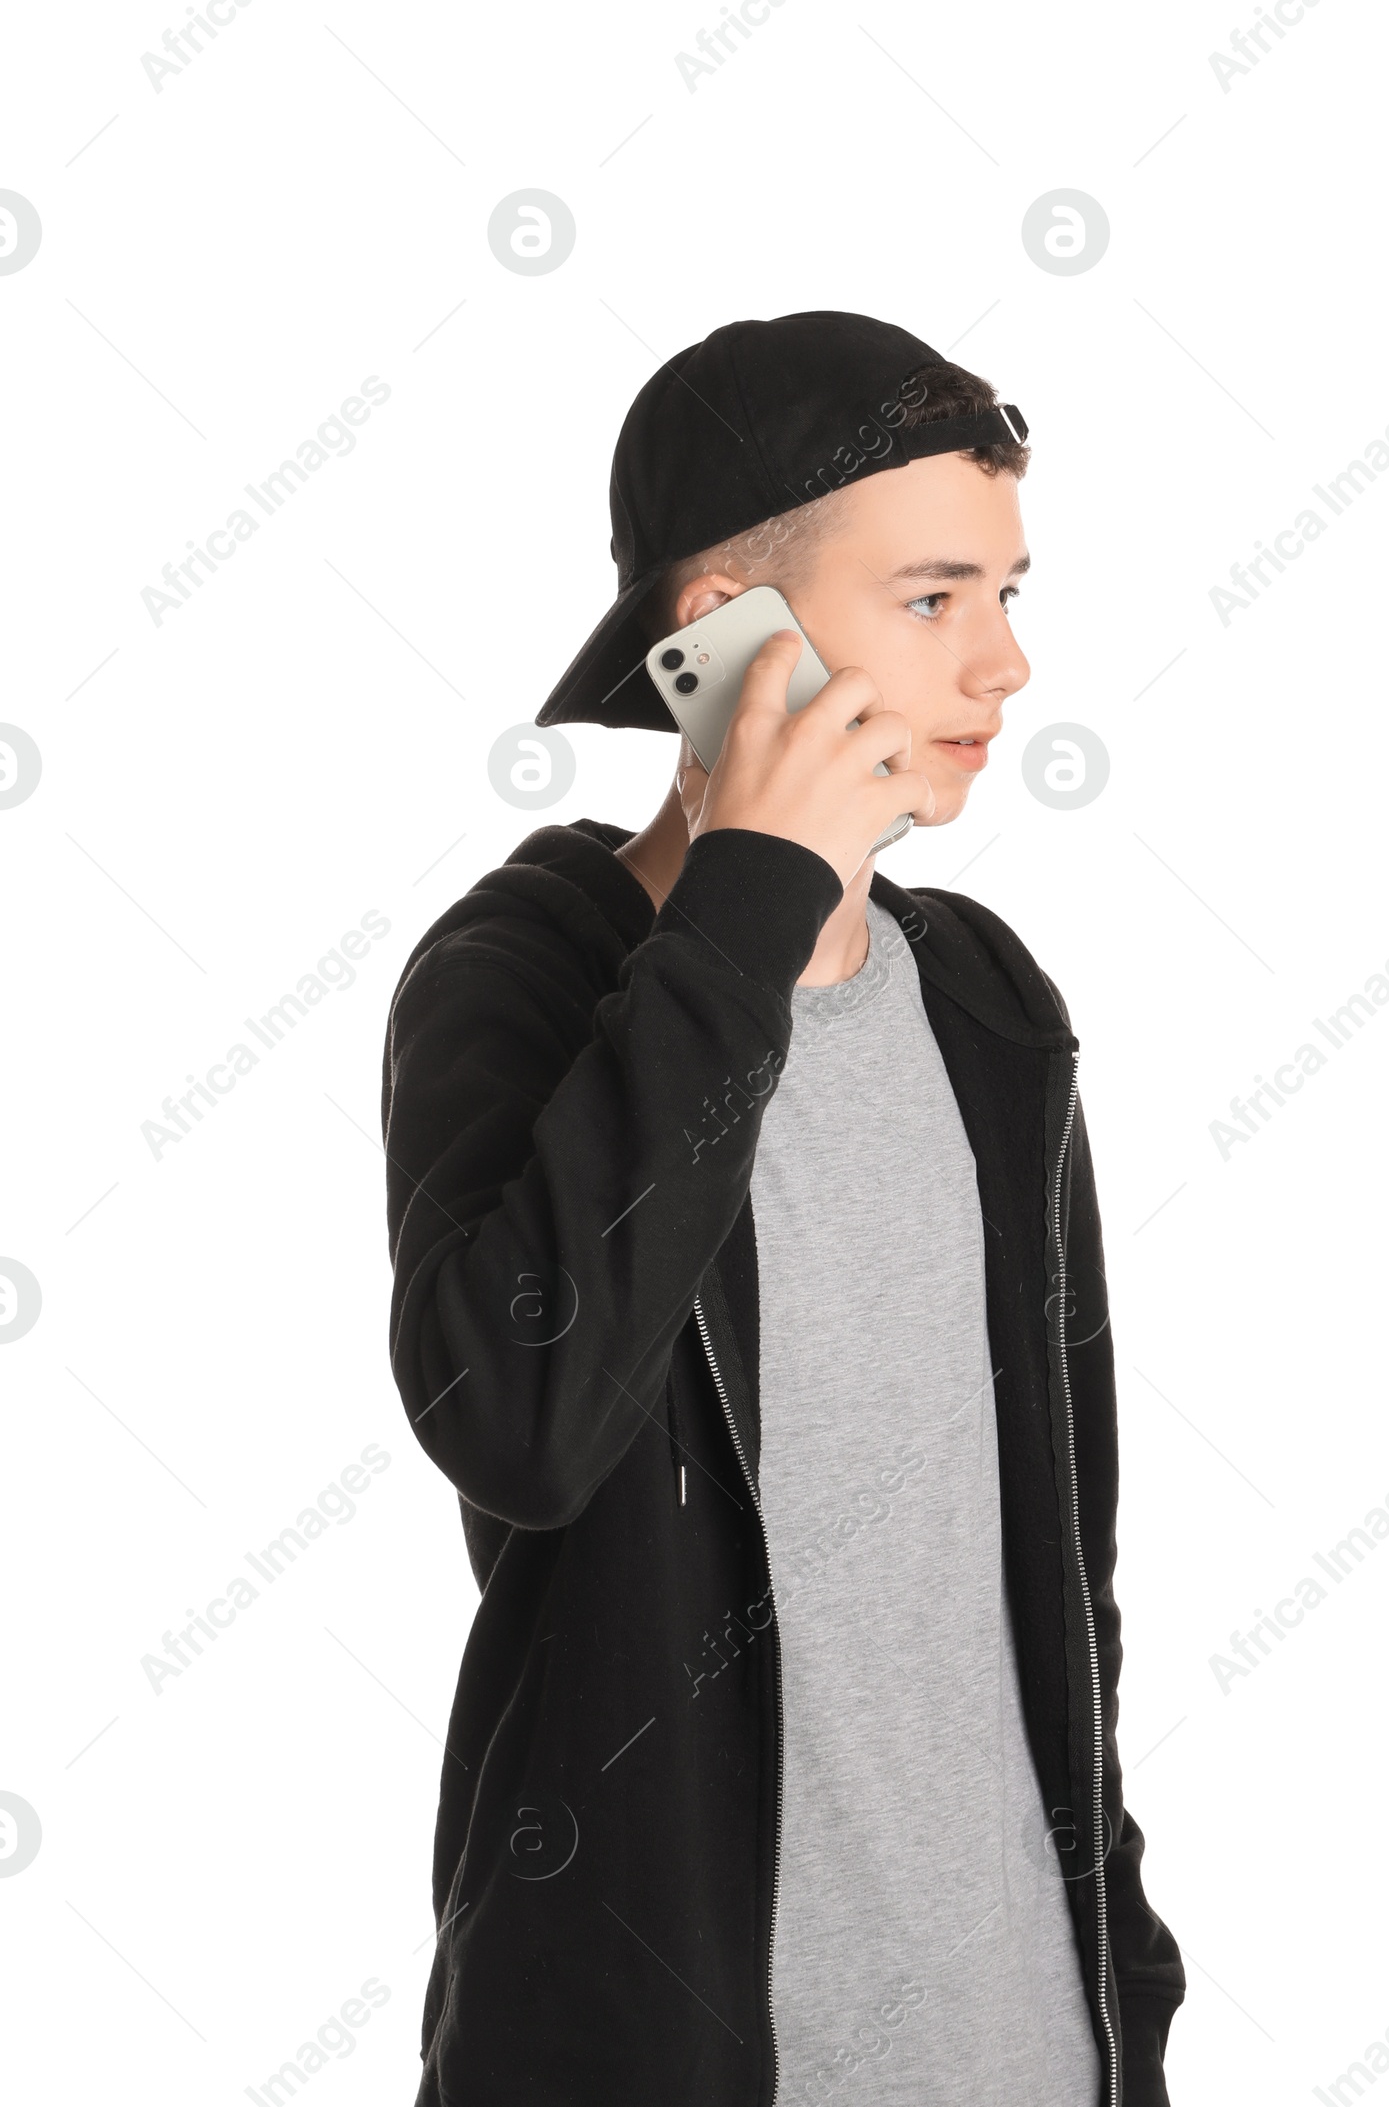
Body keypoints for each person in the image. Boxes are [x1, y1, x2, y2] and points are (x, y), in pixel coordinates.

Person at [382, 310, 1185, 2107]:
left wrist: (1129, 1973)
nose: (1007, 667)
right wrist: (746, 898)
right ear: (720, 635)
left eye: (1008, 591)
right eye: (932, 599)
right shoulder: (521, 978)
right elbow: (517, 1418)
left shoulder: (986, 1005)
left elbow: (1068, 1555)